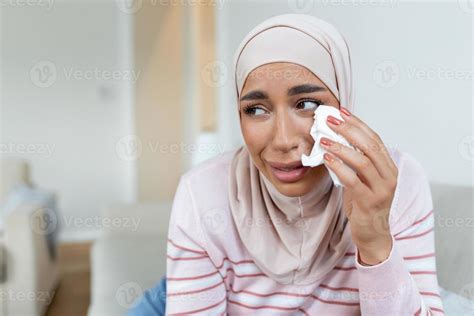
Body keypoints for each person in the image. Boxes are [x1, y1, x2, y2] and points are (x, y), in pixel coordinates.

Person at [131, 13, 444, 315]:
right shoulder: (201, 193)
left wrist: (375, 240)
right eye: (256, 109)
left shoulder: (400, 182)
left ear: (343, 101)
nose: (282, 140)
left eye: (307, 104)